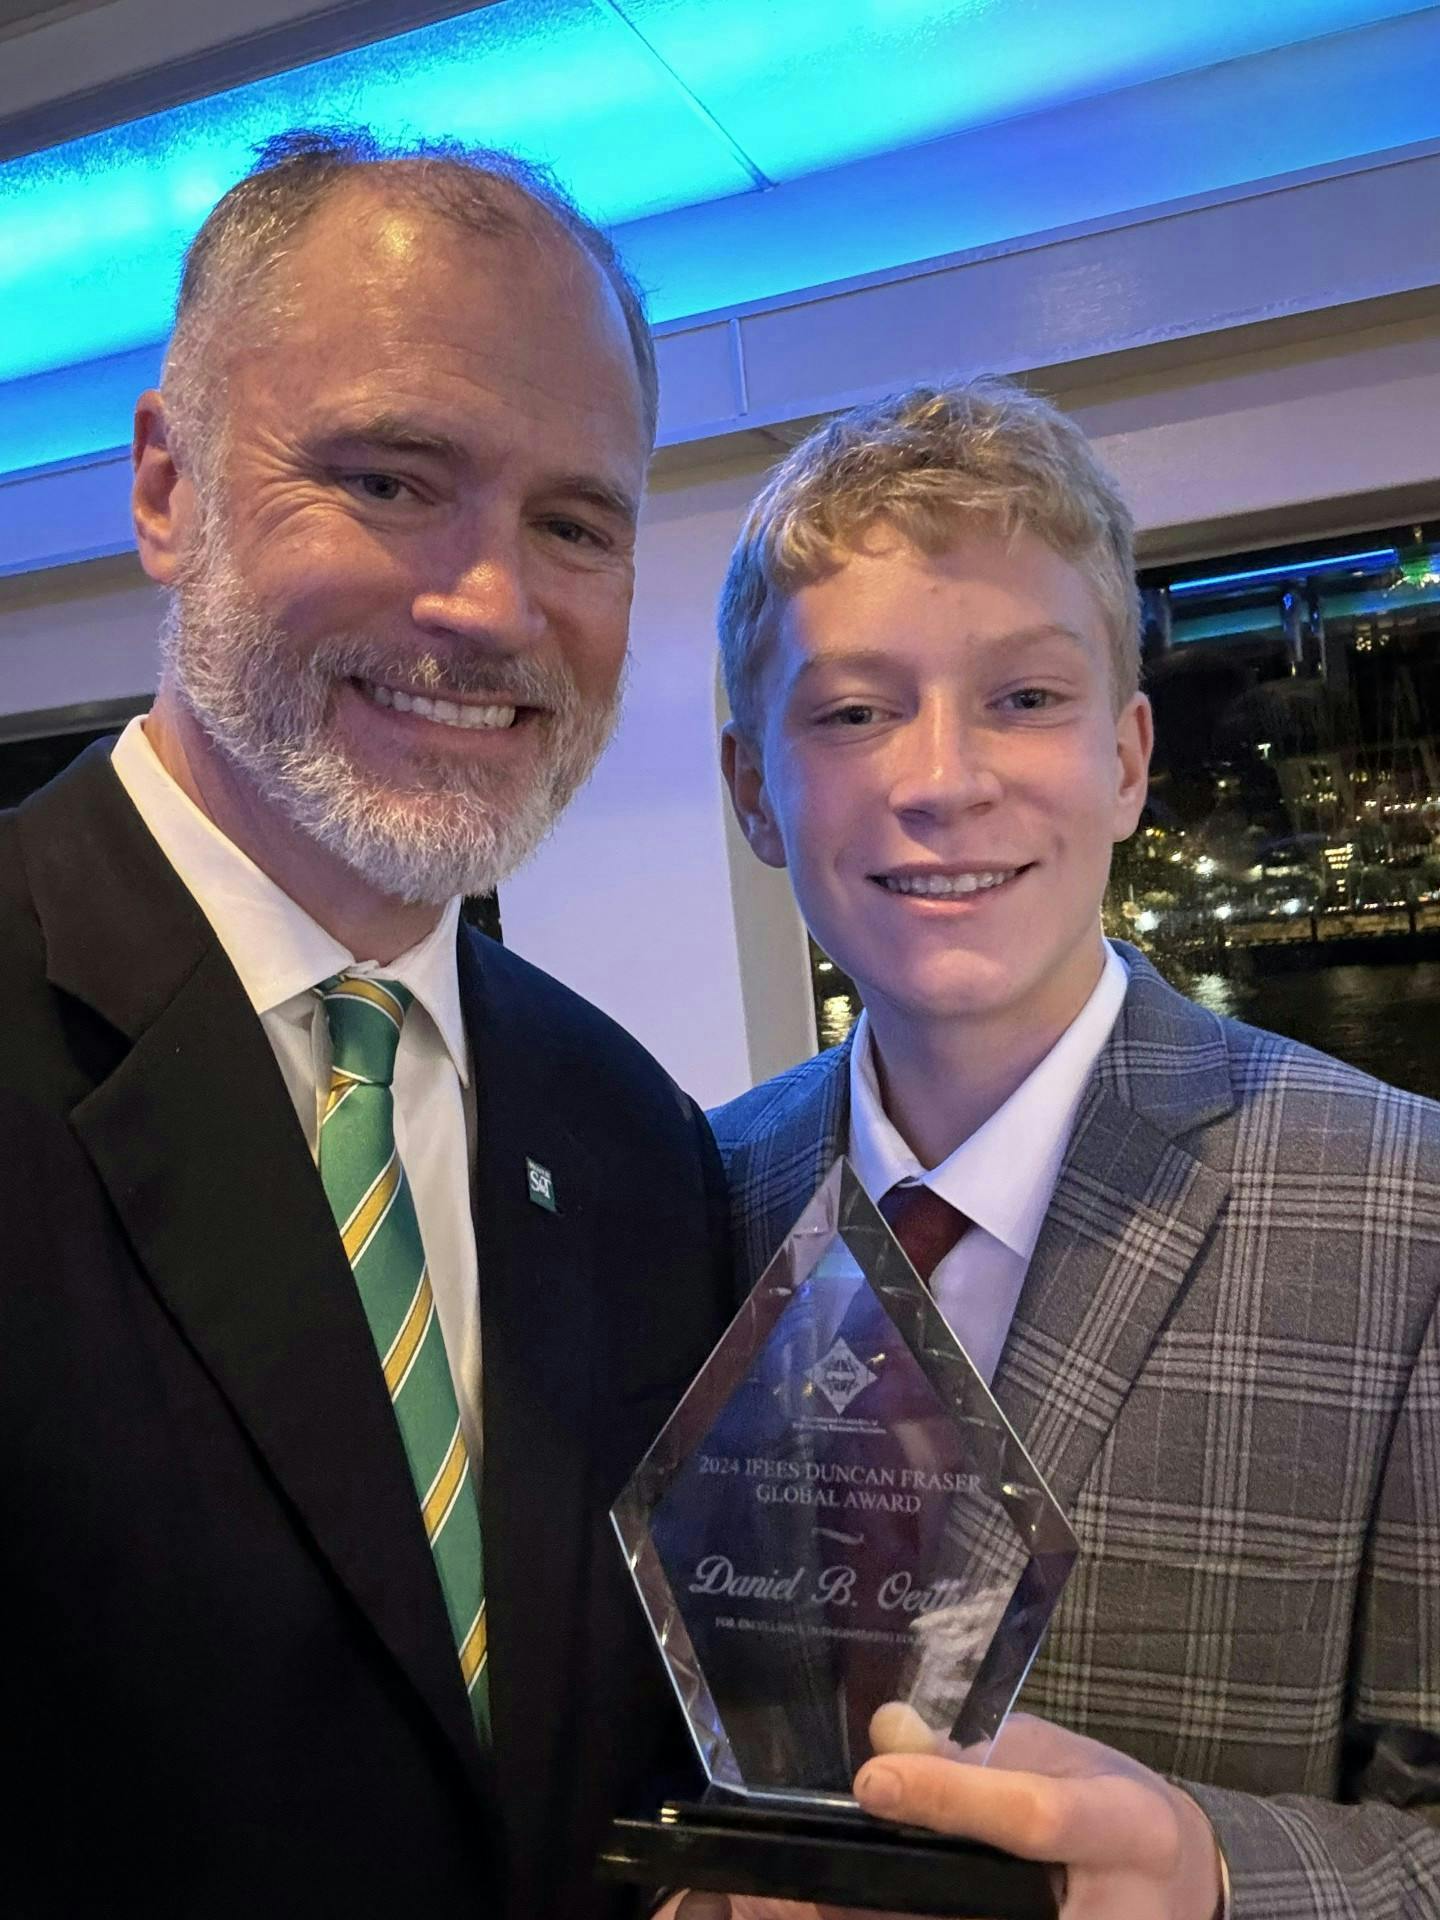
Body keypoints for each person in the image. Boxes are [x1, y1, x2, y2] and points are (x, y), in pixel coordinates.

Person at [0, 128, 734, 1919]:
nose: (489, 605)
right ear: (168, 488)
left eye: (574, 522)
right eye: (394, 482)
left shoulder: (637, 1140)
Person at [698, 381, 1440, 1919]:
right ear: (753, 791)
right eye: (851, 711)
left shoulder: (1408, 1214)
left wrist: (1218, 1874)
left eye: (1026, 698)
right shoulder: (685, 1200)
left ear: (1126, 757)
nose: (942, 777)